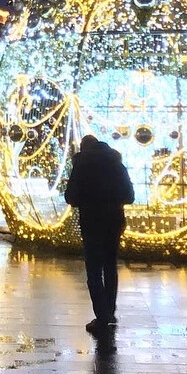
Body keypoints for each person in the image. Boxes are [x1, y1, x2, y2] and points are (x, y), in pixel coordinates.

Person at [64, 135, 134, 333]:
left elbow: (71, 196)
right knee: (110, 266)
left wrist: (87, 199)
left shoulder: (82, 165)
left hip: (92, 221)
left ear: (84, 148)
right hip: (114, 221)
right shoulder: (117, 164)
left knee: (94, 270)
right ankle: (109, 311)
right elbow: (130, 195)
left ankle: (101, 316)